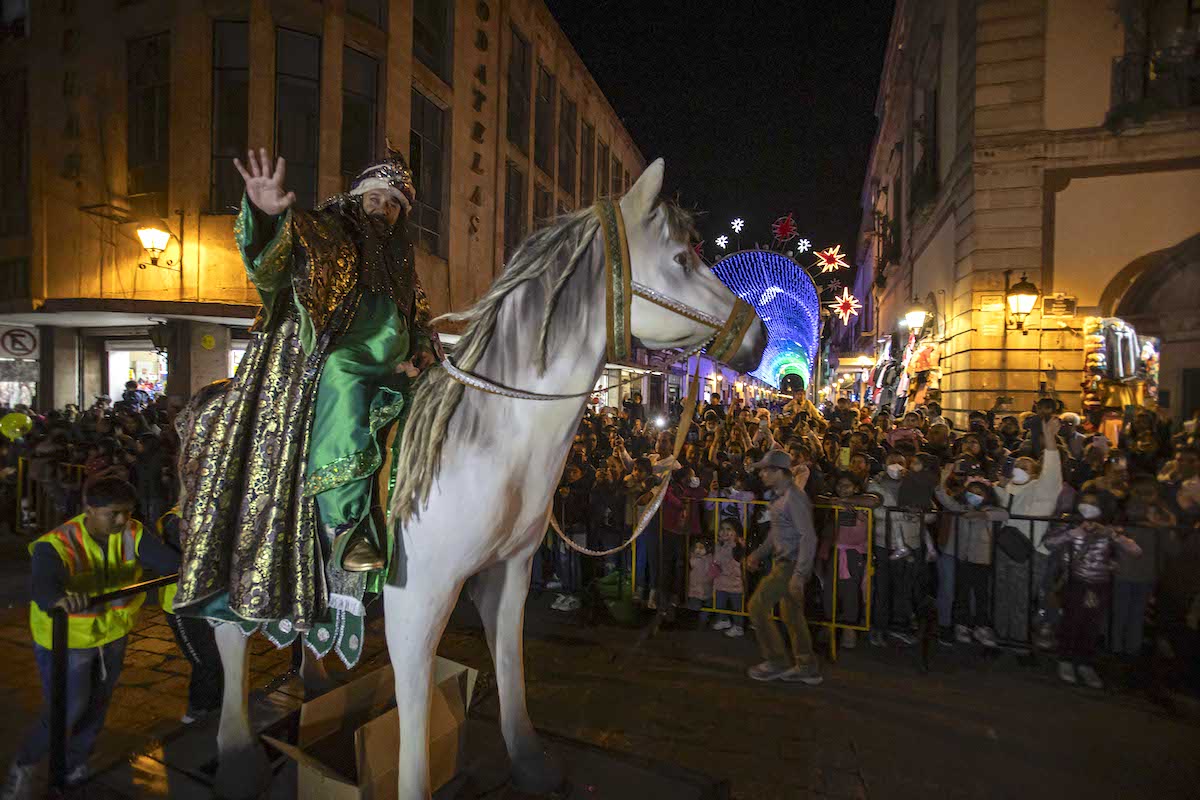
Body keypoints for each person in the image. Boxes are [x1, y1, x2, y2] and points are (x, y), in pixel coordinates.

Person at [173, 145, 440, 642]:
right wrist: (267, 217)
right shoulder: (328, 231)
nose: (384, 208)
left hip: (397, 363)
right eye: (376, 197)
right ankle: (346, 526)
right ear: (358, 197)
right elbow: (275, 267)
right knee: (343, 377)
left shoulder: (404, 266)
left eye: (394, 203)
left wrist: (423, 350)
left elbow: (421, 319)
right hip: (340, 356)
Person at [3, 479, 179, 798]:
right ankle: (25, 764)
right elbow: (43, 588)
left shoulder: (134, 532)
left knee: (98, 704)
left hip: (112, 634)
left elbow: (169, 563)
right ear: (89, 510)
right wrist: (60, 599)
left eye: (128, 512)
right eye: (114, 513)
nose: (122, 520)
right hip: (68, 640)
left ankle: (76, 763)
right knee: (67, 709)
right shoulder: (55, 544)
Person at [1043, 492, 1141, 688]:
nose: (1087, 507)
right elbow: (1049, 543)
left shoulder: (1110, 528)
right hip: (1075, 581)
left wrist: (1112, 534)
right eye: (1084, 503)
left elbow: (1135, 551)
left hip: (1100, 584)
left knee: (1092, 624)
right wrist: (1074, 533)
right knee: (1072, 621)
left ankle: (1085, 662)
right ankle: (1065, 659)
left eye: (1093, 504)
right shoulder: (1070, 523)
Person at [745, 450, 822, 685]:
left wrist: (799, 574)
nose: (761, 474)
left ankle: (776, 661)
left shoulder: (793, 498)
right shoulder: (780, 497)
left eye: (765, 470)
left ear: (778, 471)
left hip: (790, 564)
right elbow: (776, 532)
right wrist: (758, 553)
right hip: (787, 562)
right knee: (792, 616)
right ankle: (806, 666)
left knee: (757, 606)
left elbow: (808, 537)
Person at [935, 475, 1008, 647]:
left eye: (979, 492)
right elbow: (944, 499)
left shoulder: (991, 509)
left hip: (982, 559)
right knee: (963, 593)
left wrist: (983, 515)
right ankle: (962, 625)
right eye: (971, 491)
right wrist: (942, 480)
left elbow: (1004, 514)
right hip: (964, 558)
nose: (974, 495)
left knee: (982, 594)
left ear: (987, 494)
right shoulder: (961, 508)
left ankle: (982, 626)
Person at [818, 474, 880, 649]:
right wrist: (835, 502)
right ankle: (829, 624)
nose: (842, 489)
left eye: (847, 485)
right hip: (833, 552)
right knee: (829, 590)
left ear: (856, 488)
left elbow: (874, 500)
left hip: (854, 554)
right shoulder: (833, 502)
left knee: (851, 591)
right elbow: (818, 499)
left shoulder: (860, 504)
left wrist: (847, 501)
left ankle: (849, 628)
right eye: (840, 485)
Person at [706, 519, 746, 636]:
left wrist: (738, 543)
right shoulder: (718, 545)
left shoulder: (736, 546)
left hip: (733, 582)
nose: (724, 532)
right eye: (722, 529)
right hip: (720, 581)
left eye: (729, 529)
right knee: (720, 603)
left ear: (736, 532)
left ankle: (738, 626)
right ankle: (723, 620)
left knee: (736, 606)